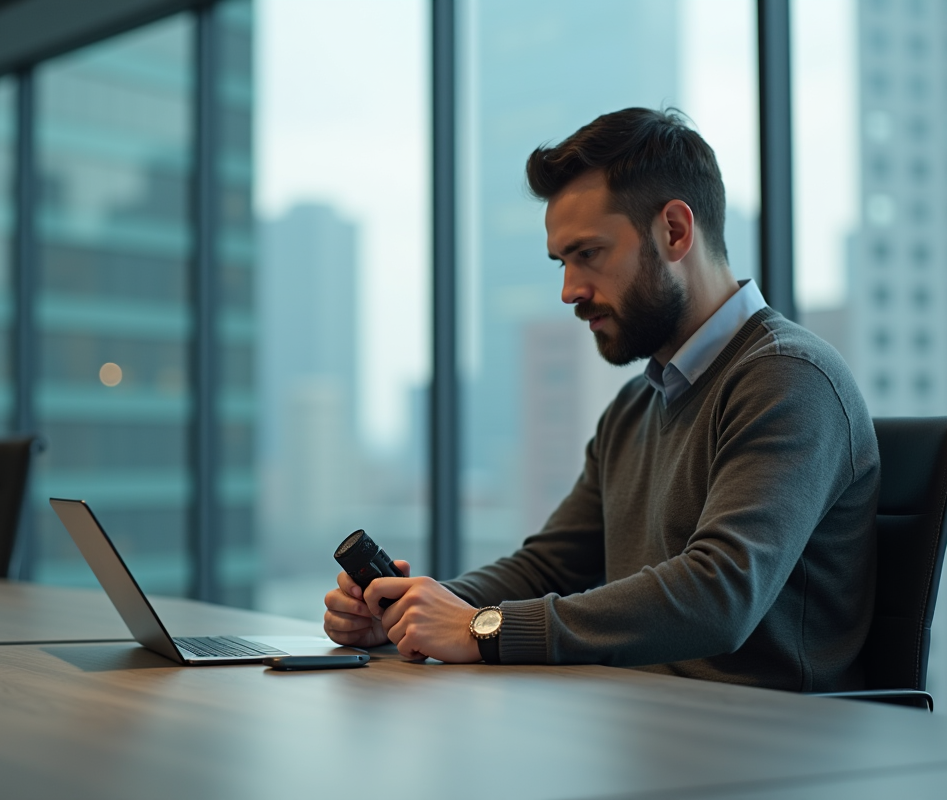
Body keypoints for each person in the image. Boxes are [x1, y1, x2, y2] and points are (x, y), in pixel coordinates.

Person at [323, 107, 879, 692]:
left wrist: (482, 628)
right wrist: (417, 613)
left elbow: (720, 594)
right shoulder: (637, 407)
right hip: (646, 722)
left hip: (772, 751)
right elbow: (550, 566)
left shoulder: (789, 379)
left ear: (674, 231)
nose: (569, 291)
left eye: (588, 254)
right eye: (562, 263)